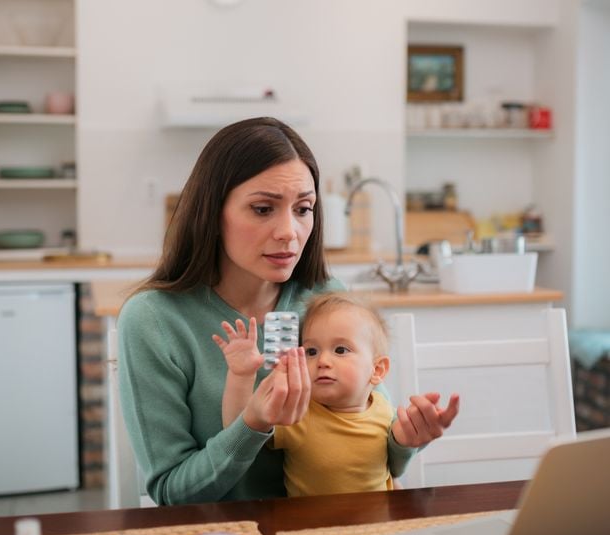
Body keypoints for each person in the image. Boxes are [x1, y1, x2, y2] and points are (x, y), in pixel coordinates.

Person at [117, 117, 458, 505]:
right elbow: (172, 493)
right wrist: (252, 424)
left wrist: (407, 439)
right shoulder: (154, 320)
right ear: (211, 212)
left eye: (303, 209)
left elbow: (376, 445)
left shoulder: (326, 297)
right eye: (263, 209)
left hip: (331, 533)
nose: (289, 232)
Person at [217, 292, 460, 496]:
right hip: (314, 532)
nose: (322, 360)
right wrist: (242, 375)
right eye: (311, 351)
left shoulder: (383, 408)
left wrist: (417, 428)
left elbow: (390, 468)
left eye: (340, 350)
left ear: (377, 370)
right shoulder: (300, 412)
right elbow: (238, 428)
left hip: (378, 527)